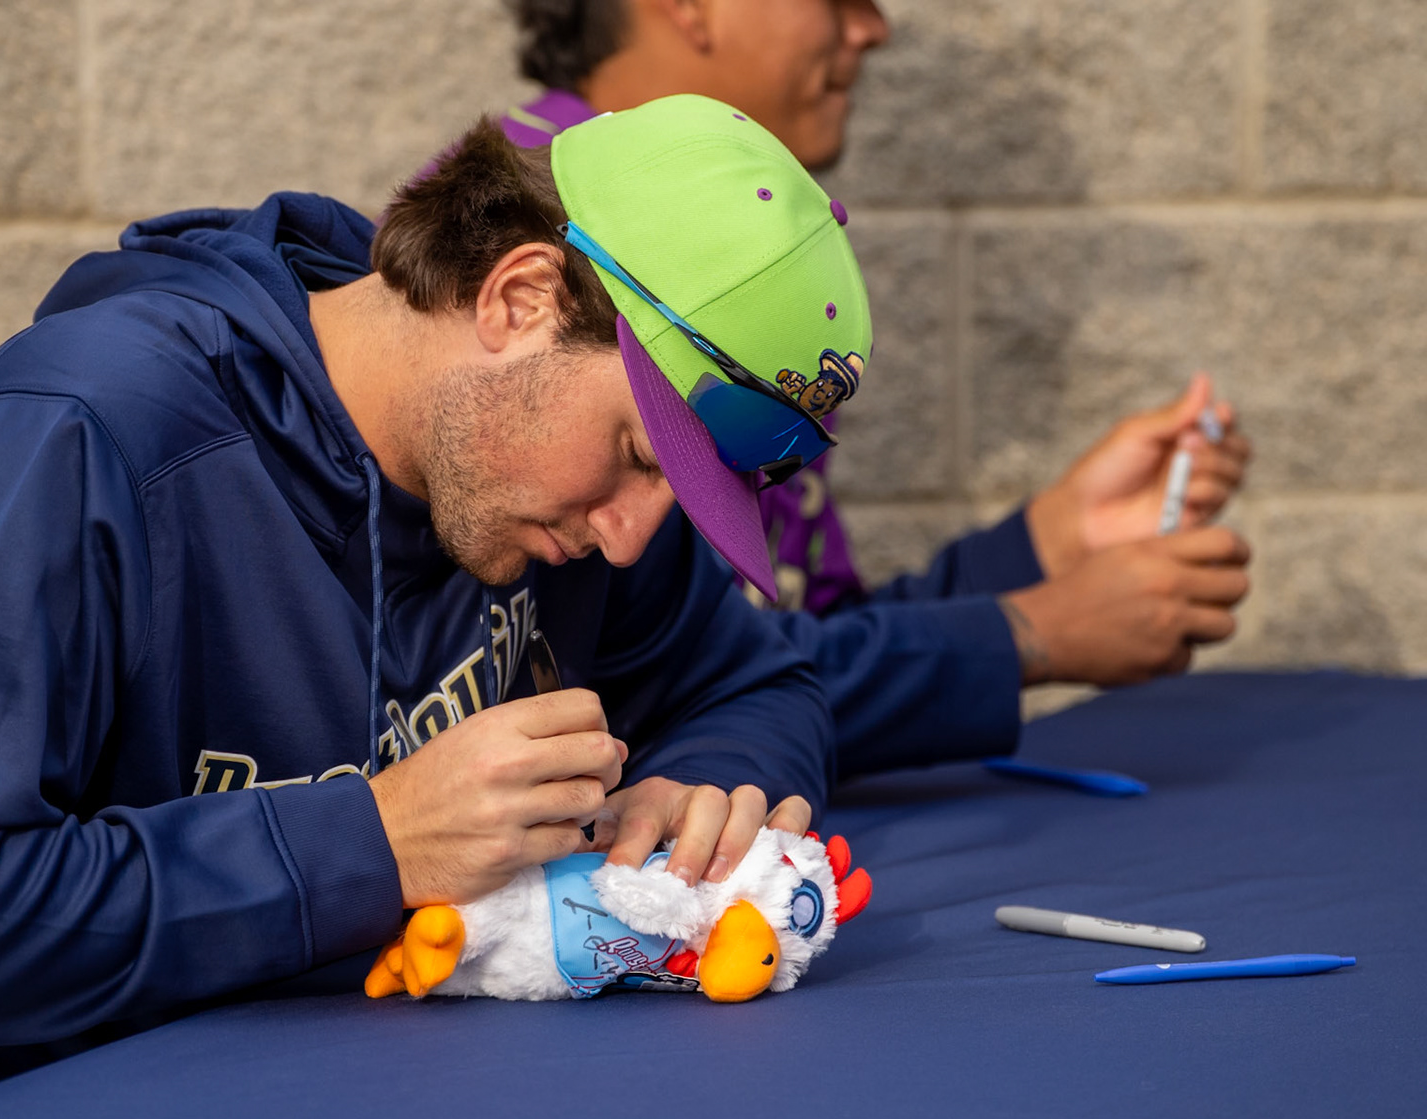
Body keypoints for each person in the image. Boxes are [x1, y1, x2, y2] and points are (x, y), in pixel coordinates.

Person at [0, 95, 875, 1119]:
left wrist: (708, 782)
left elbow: (757, 679)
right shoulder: (75, 433)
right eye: (641, 452)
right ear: (520, 297)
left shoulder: (550, 492)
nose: (629, 534)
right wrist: (370, 844)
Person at [504, 0, 1255, 775]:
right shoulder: (534, 235)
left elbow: (789, 634)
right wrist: (1027, 633)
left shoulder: (731, 245)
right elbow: (696, 682)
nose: (872, 29)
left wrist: (1049, 543)